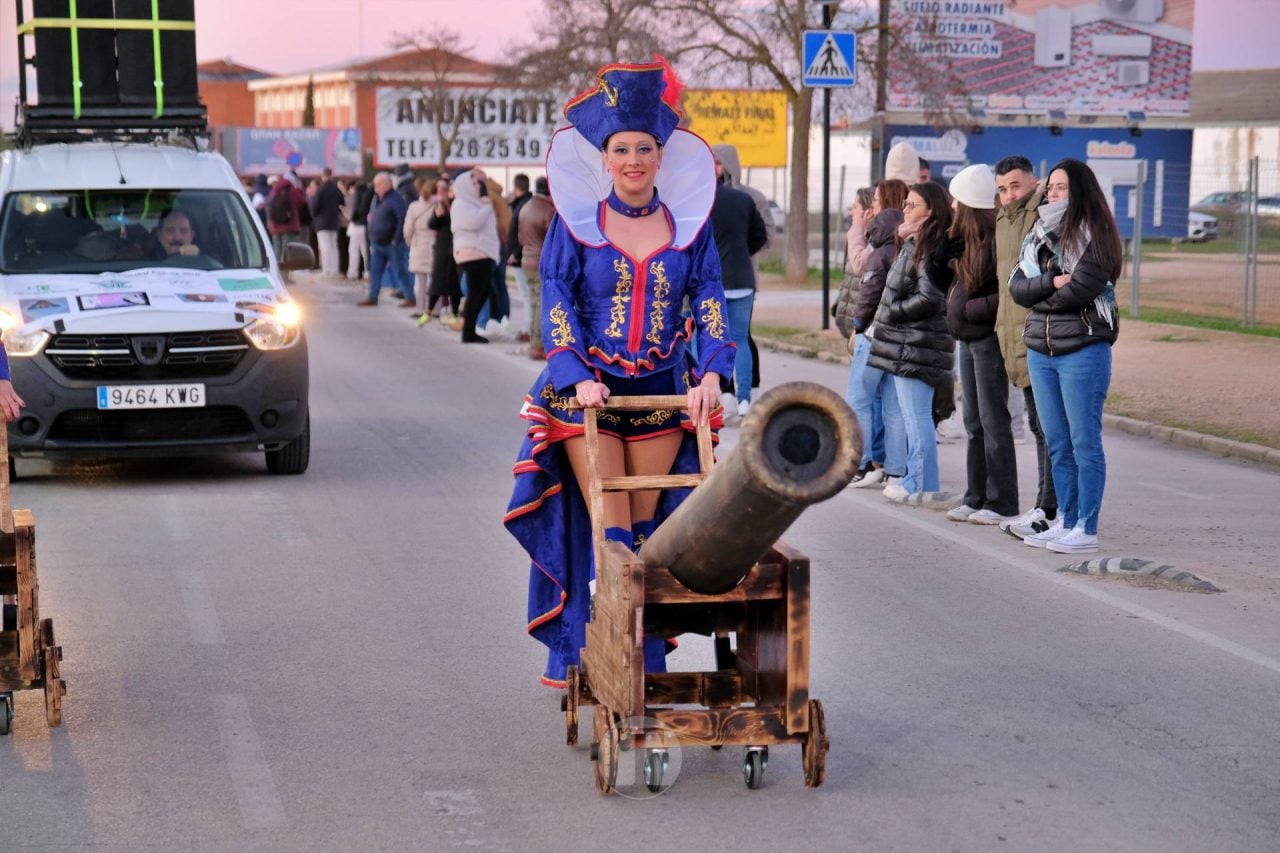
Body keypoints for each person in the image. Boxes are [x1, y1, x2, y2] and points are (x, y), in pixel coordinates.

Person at [503, 58, 734, 687]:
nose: (633, 159)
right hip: (588, 397)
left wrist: (713, 373)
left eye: (644, 148)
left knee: (644, 533)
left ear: (661, 156)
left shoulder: (691, 227)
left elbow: (709, 299)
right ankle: (607, 668)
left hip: (660, 389)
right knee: (610, 531)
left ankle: (642, 668)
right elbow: (557, 300)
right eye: (621, 148)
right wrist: (575, 372)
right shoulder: (576, 227)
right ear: (604, 158)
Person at [1011, 158, 1122, 555]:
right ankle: (1067, 520)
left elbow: (1082, 290)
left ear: (1081, 192)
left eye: (1062, 188)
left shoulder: (1097, 235)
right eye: (1051, 188)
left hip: (1083, 350)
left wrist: (1040, 296)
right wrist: (1052, 282)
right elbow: (1016, 289)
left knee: (1083, 443)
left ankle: (1086, 528)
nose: (1053, 194)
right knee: (1057, 443)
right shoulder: (1036, 235)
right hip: (1042, 351)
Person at [867, 181, 957, 508]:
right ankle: (921, 482)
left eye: (912, 205)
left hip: (919, 342)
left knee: (917, 419)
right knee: (912, 417)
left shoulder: (930, 244)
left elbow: (929, 297)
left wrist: (891, 311)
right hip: (909, 341)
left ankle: (918, 483)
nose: (904, 210)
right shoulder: (912, 240)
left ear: (931, 210)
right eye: (905, 204)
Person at [941, 164, 1020, 526]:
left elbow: (1003, 294)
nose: (952, 209)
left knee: (992, 419)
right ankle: (976, 495)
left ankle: (1002, 500)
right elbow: (941, 280)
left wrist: (970, 309)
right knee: (973, 420)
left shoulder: (994, 241)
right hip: (966, 339)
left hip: (986, 339)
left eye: (957, 202)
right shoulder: (965, 243)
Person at [993, 156, 1059, 540]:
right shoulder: (1004, 218)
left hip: (1040, 335)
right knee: (1038, 426)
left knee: (1048, 428)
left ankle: (1049, 508)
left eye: (1015, 186)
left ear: (1033, 181)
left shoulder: (1043, 213)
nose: (1008, 195)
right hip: (1014, 334)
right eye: (1002, 188)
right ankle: (1044, 505)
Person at [848, 178, 909, 491]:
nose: (870, 210)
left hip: (872, 333)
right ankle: (895, 470)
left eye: (875, 203)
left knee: (859, 398)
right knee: (892, 404)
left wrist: (857, 325)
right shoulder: (907, 247)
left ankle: (859, 464)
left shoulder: (879, 253)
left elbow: (868, 292)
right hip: (896, 333)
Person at [710, 146, 769, 418]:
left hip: (713, 281)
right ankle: (745, 398)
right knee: (741, 339)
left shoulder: (702, 203)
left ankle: (722, 393)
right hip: (743, 278)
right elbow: (761, 235)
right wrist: (743, 252)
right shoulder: (745, 200)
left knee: (711, 338)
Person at [449, 168, 500, 343]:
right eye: (474, 183)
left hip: (482, 252)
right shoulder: (461, 203)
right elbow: (473, 223)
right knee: (476, 292)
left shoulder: (474, 202)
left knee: (483, 291)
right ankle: (468, 331)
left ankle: (469, 328)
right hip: (472, 253)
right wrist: (487, 207)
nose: (478, 186)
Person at [358, 172, 411, 307]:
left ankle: (410, 296)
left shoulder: (395, 199)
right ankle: (372, 296)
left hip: (392, 243)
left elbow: (401, 218)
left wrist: (396, 238)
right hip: (378, 242)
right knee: (375, 270)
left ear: (387, 184)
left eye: (378, 184)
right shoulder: (378, 199)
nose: (375, 187)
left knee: (400, 270)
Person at [517, 176, 554, 358]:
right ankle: (538, 345)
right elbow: (554, 239)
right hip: (541, 262)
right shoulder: (548, 211)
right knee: (541, 303)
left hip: (527, 260)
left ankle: (534, 341)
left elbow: (520, 238)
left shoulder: (526, 207)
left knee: (533, 302)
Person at [422, 176, 461, 326]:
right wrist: (437, 217)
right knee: (437, 281)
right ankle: (429, 311)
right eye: (448, 191)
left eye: (451, 190)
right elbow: (431, 224)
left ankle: (454, 313)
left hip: (457, 248)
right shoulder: (441, 205)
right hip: (442, 248)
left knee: (454, 284)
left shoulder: (461, 206)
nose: (450, 193)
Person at [505, 174, 534, 343]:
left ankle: (528, 328)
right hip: (523, 255)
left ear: (516, 187)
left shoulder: (522, 206)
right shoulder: (526, 204)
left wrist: (515, 253)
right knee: (528, 294)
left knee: (527, 294)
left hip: (522, 257)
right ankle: (529, 327)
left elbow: (523, 233)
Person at [404, 181, 436, 314]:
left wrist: (410, 243)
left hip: (418, 244)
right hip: (435, 245)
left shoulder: (414, 207)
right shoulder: (438, 206)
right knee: (435, 280)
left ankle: (420, 309)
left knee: (420, 281)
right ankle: (435, 310)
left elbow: (407, 229)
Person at [310, 168, 346, 277]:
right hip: (334, 221)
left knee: (324, 247)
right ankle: (334, 269)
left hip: (322, 222)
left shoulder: (320, 190)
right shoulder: (336, 189)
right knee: (333, 246)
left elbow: (315, 207)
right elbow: (342, 202)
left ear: (323, 176)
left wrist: (315, 216)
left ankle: (326, 270)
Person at [346, 180, 372, 280]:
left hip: (356, 226)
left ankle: (353, 272)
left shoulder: (357, 195)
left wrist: (351, 217)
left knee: (353, 250)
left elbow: (355, 210)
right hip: (366, 225)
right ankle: (367, 271)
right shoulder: (369, 195)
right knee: (365, 250)